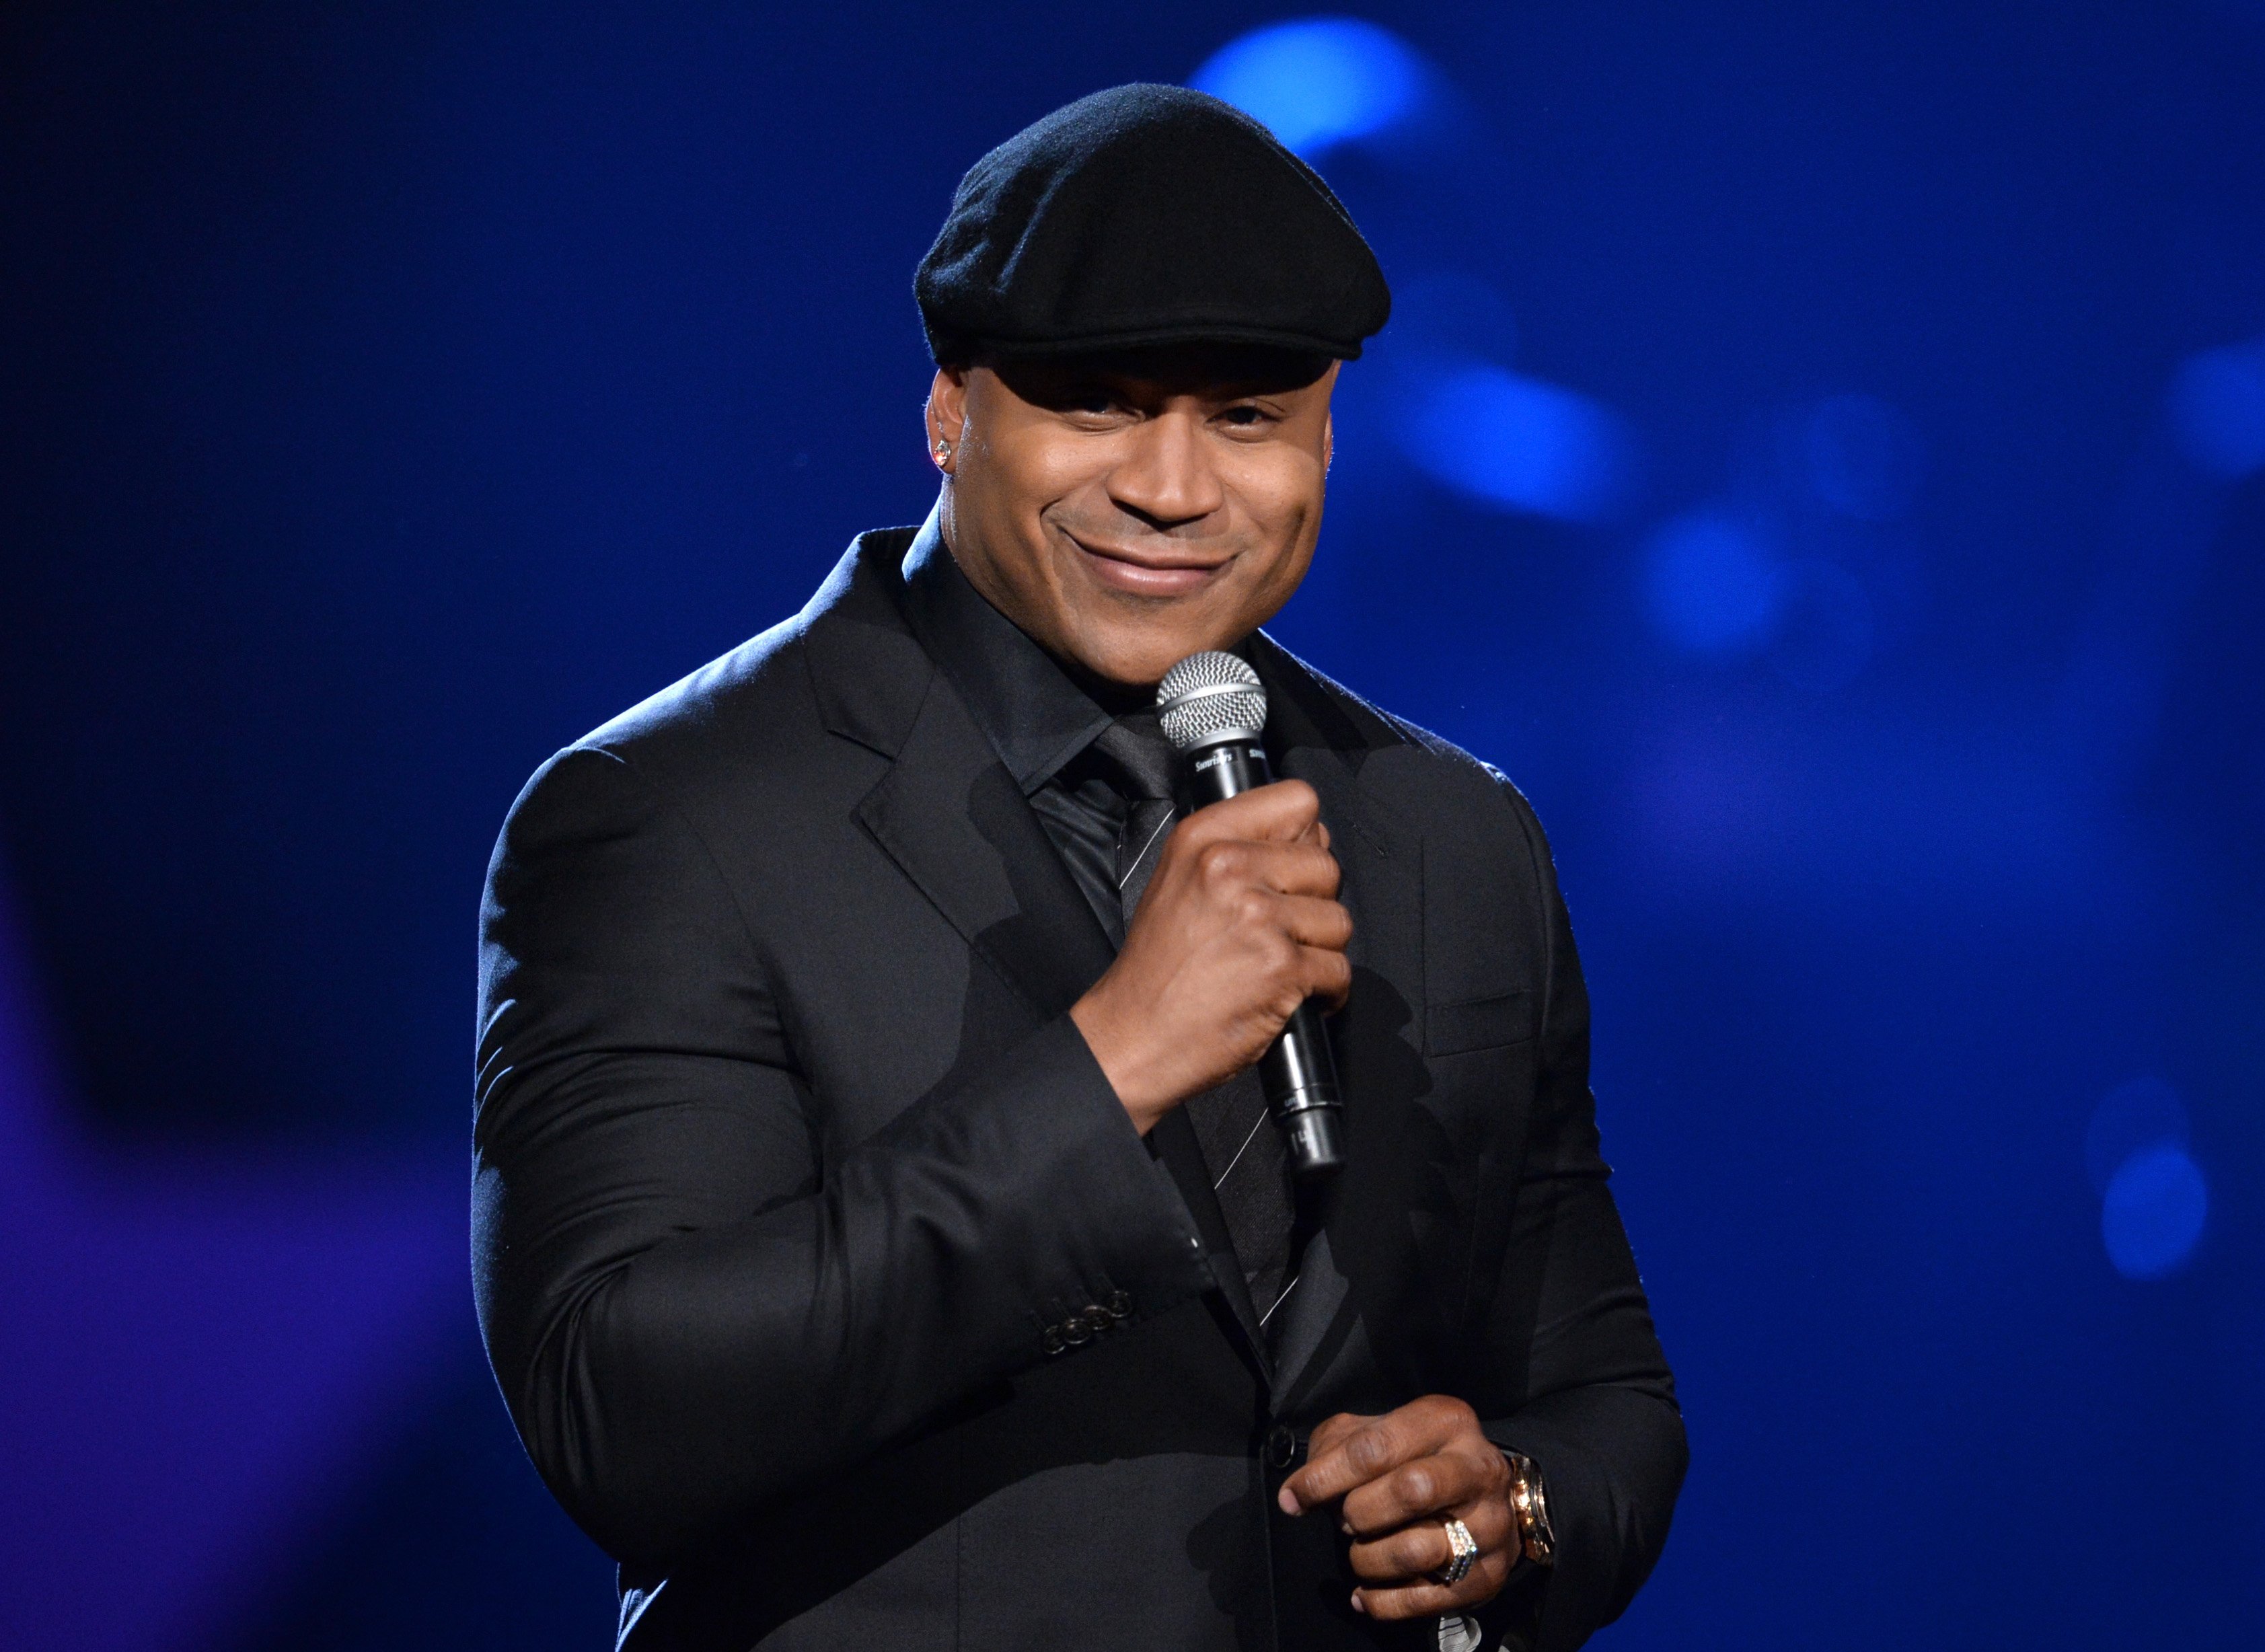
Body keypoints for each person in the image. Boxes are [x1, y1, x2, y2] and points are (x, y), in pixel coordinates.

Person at [472, 83, 1686, 1652]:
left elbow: (1606, 1396)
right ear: (949, 410)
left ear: (1327, 433)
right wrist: (1115, 1062)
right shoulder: (660, 812)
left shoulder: (1456, 831)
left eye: (1247, 416)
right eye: (1101, 402)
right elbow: (616, 1416)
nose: (1175, 488)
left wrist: (1508, 1506)